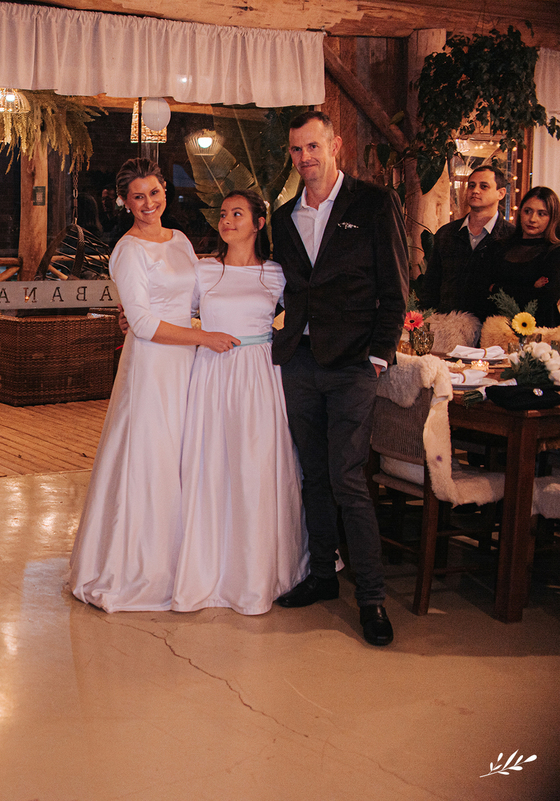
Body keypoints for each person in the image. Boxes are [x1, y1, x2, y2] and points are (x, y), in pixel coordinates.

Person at [68, 158, 238, 612]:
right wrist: (204, 338)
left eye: (155, 193)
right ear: (125, 202)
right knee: (152, 457)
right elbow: (142, 323)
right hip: (152, 366)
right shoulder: (127, 250)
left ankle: (188, 562)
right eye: (138, 197)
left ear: (165, 191)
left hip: (186, 364)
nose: (148, 203)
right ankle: (141, 567)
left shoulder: (180, 240)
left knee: (184, 456)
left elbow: (198, 298)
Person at [269, 111, 408, 647]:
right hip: (301, 363)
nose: (304, 157)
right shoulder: (284, 217)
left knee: (348, 479)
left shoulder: (372, 203)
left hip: (353, 366)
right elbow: (277, 287)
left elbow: (395, 288)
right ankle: (324, 575)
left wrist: (377, 357)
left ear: (336, 145)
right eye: (296, 149)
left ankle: (371, 598)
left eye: (313, 146)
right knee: (313, 476)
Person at [172, 190, 308, 615]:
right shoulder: (204, 271)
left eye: (237, 213)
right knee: (211, 462)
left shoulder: (275, 274)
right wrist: (130, 314)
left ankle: (258, 570)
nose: (227, 220)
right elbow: (172, 311)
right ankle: (210, 566)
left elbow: (307, 313)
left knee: (256, 465)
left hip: (259, 374)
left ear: (258, 223)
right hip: (212, 372)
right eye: (223, 214)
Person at [418, 165, 514, 317]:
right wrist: (425, 318)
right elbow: (431, 285)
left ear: (501, 193)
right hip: (447, 324)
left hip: (492, 326)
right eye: (471, 185)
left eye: (484, 186)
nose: (475, 190)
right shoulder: (447, 233)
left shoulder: (511, 237)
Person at [484, 185, 560, 326]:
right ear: (520, 213)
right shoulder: (499, 247)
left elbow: (544, 300)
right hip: (496, 329)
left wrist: (496, 288)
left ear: (552, 218)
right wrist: (532, 287)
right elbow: (484, 292)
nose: (532, 219)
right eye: (527, 211)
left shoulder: (555, 252)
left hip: (539, 331)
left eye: (541, 214)